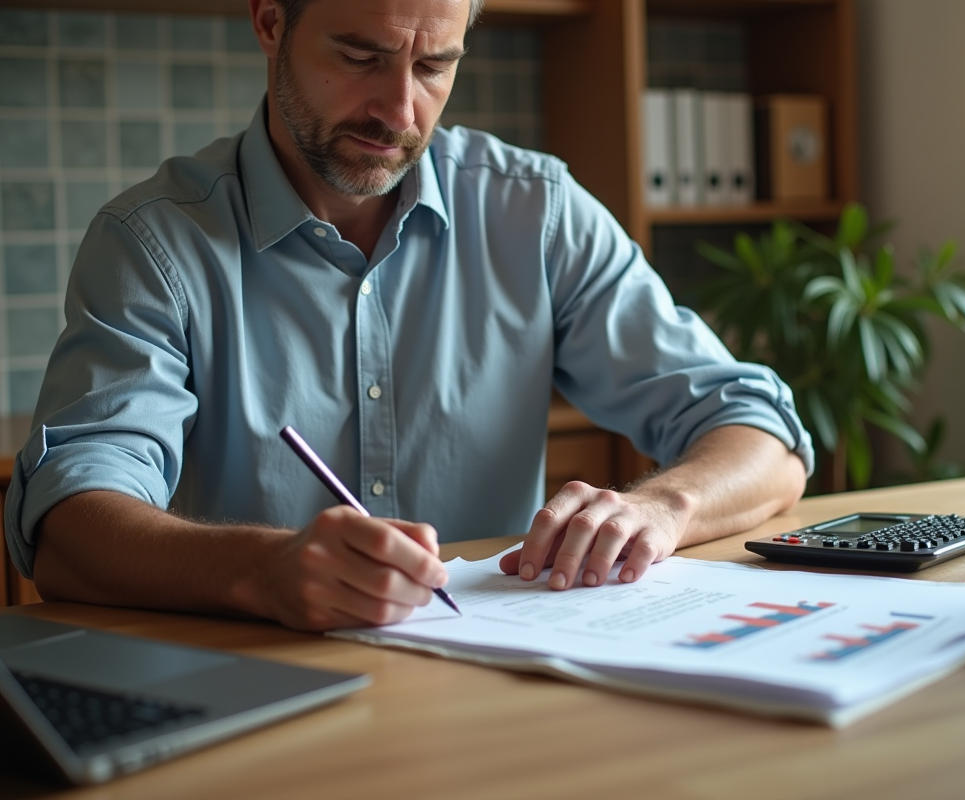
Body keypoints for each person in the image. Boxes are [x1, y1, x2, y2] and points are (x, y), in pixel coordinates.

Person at [3, 0, 813, 632]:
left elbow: (760, 433)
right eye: (361, 57)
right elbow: (69, 527)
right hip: (260, 697)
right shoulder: (154, 244)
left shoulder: (534, 211)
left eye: (434, 65)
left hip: (499, 696)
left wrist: (658, 509)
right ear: (270, 21)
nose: (399, 110)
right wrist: (265, 570)